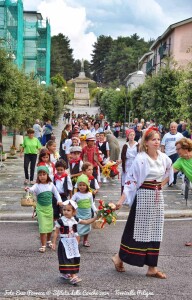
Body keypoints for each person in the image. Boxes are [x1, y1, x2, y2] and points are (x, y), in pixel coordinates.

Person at [113, 127, 173, 279]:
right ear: (146, 142)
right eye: (153, 139)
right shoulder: (141, 159)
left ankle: (152, 268)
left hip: (157, 198)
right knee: (135, 231)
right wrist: (121, 201)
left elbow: (169, 172)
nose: (157, 142)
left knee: (155, 231)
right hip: (143, 197)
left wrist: (160, 185)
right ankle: (119, 258)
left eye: (158, 139)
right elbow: (131, 181)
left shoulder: (163, 158)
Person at [51, 200, 97, 284]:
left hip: (73, 242)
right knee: (67, 258)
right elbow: (56, 232)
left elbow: (86, 222)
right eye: (64, 210)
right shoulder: (60, 221)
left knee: (74, 258)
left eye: (68, 210)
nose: (66, 212)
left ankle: (66, 273)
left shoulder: (75, 219)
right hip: (64, 242)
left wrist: (96, 217)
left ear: (73, 211)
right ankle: (73, 276)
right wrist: (53, 242)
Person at [27, 166, 62, 253]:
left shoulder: (51, 185)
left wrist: (59, 200)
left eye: (44, 174)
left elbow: (56, 193)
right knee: (43, 227)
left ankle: (48, 241)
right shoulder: (37, 185)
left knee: (49, 226)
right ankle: (43, 245)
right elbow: (32, 190)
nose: (42, 176)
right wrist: (28, 189)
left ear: (47, 175)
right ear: (38, 176)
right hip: (40, 209)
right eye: (40, 175)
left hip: (49, 209)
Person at [173, 138, 192, 246]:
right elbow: (169, 173)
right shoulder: (180, 161)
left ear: (185, 147)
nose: (177, 151)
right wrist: (159, 184)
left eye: (178, 149)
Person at [71, 174, 97, 247]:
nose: (82, 187)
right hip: (79, 214)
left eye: (83, 185)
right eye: (80, 185)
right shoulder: (76, 195)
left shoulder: (89, 194)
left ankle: (85, 240)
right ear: (78, 186)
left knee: (87, 228)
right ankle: (76, 243)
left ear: (87, 186)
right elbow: (71, 203)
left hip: (88, 214)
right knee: (78, 229)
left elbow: (92, 203)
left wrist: (95, 210)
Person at [161, 122, 183, 186]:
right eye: (172, 127)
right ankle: (170, 182)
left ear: (176, 128)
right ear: (170, 128)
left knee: (175, 168)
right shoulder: (166, 135)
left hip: (176, 153)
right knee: (169, 169)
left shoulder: (180, 135)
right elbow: (162, 145)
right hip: (168, 154)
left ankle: (174, 180)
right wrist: (162, 153)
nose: (173, 128)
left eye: (174, 127)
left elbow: (183, 144)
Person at [121, 129, 138, 194]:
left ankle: (133, 196)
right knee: (126, 180)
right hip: (127, 164)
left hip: (135, 164)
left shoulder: (137, 145)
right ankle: (125, 197)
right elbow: (123, 157)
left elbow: (140, 155)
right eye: (130, 135)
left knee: (134, 180)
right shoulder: (125, 145)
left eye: (133, 135)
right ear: (128, 136)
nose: (132, 136)